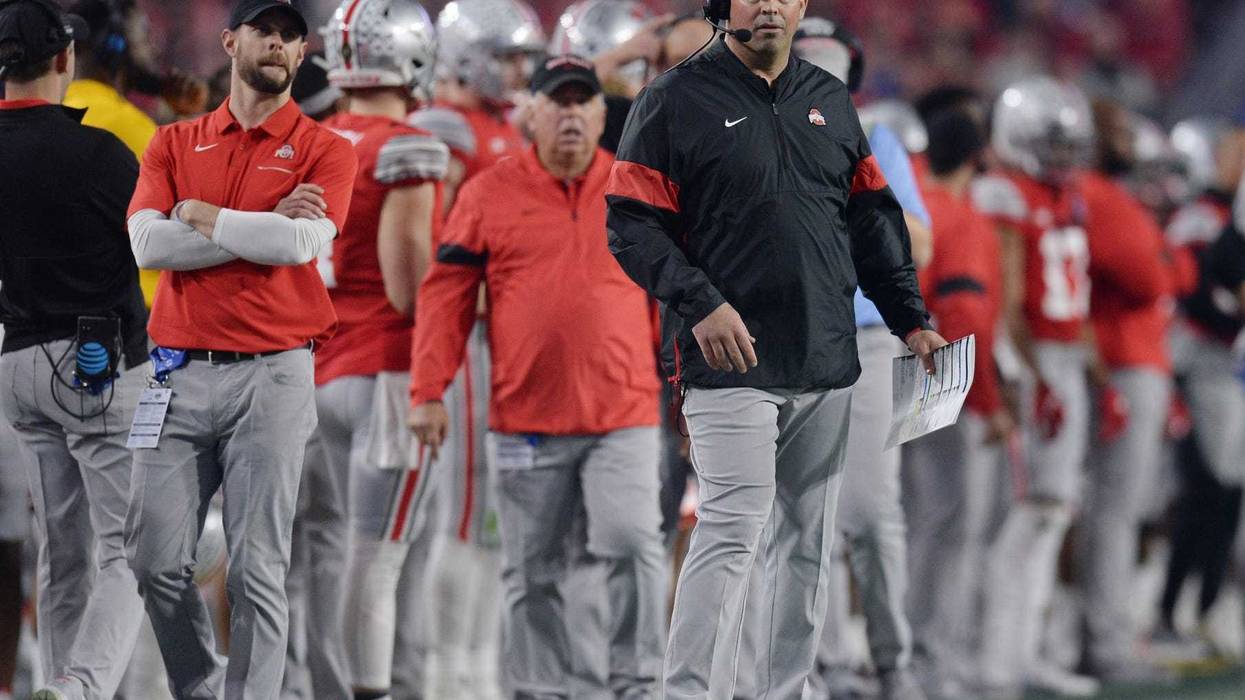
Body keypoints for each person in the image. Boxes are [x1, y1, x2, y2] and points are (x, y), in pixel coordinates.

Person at [604, 0, 946, 695]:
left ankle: (783, 692)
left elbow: (871, 221)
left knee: (806, 546)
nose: (768, 5)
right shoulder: (671, 99)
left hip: (824, 353)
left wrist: (909, 318)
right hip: (728, 360)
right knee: (732, 529)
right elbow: (632, 226)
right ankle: (691, 692)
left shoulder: (829, 98)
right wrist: (700, 304)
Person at [410, 55, 668, 699]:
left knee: (634, 548)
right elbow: (444, 298)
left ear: (603, 116)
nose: (573, 115)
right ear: (535, 113)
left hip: (624, 413)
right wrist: (427, 392)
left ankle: (635, 683)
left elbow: (676, 293)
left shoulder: (636, 188)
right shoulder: (487, 194)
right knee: (530, 572)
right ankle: (541, 689)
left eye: (584, 103)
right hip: (525, 420)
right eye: (560, 102)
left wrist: (685, 387)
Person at [123, 0, 357, 696]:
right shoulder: (172, 142)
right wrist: (250, 226)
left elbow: (299, 244)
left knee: (258, 569)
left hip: (274, 374)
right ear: (230, 40)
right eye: (265, 31)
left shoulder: (326, 148)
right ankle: (200, 686)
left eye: (290, 35)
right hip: (172, 370)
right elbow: (146, 242)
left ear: (303, 51)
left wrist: (199, 214)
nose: (278, 44)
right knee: (152, 560)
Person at [0, 2, 151, 699]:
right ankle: (82, 687)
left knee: (62, 554)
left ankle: (60, 681)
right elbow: (160, 243)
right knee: (132, 548)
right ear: (64, 60)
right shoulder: (98, 154)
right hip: (92, 360)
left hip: (16, 364)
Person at [398, 2, 545, 695]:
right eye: (509, 56)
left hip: (512, 344)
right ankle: (442, 670)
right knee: (461, 510)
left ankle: (479, 664)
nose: (519, 71)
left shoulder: (508, 126)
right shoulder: (445, 129)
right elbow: (433, 250)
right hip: (470, 340)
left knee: (494, 512)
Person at [790, 18, 932, 700]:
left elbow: (919, 248)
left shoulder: (873, 137)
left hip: (870, 339)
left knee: (873, 511)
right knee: (803, 512)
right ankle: (820, 664)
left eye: (828, 58)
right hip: (791, 336)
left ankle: (889, 660)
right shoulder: (756, 135)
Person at [316, 2, 447, 699]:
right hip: (390, 375)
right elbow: (410, 287)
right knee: (381, 556)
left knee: (338, 554)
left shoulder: (311, 140)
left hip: (319, 369)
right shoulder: (404, 146)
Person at [973, 77, 1102, 699]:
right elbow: (1009, 303)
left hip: (1066, 359)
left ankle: (1027, 653)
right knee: (1023, 516)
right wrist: (1030, 376)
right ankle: (997, 663)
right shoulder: (1005, 194)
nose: (1061, 153)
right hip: (1036, 361)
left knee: (1053, 515)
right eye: (1050, 141)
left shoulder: (1067, 195)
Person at [904, 107, 1011, 700]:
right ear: (977, 158)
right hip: (942, 381)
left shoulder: (910, 201)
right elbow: (967, 315)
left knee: (911, 523)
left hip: (886, 372)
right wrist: (988, 400)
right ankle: (929, 661)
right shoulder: (963, 219)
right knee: (948, 527)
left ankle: (902, 654)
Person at [1074, 100, 1181, 682]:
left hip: (1125, 358)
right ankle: (1105, 640)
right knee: (1115, 510)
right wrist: (1161, 259)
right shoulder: (1101, 195)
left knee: (1113, 509)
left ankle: (1099, 633)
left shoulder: (1104, 194)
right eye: (1113, 129)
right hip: (1122, 359)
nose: (1126, 140)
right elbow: (1153, 277)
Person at [1158, 119, 1245, 653]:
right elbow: (1191, 296)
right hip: (1192, 367)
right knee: (1204, 490)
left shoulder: (1227, 219)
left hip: (1225, 372)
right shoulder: (1199, 219)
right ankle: (1171, 608)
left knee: (1226, 489)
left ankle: (1207, 605)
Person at [64, 0, 208, 307]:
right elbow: (195, 211)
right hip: (139, 306)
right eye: (142, 35)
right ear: (115, 45)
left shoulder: (56, 111)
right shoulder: (127, 123)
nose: (152, 48)